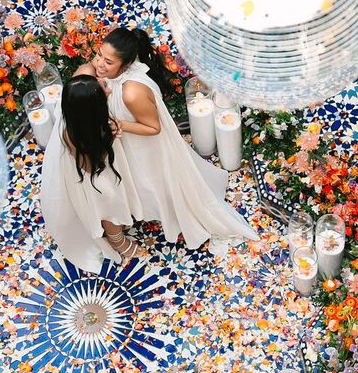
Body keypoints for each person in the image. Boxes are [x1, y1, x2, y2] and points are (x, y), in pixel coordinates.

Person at [75, 27, 257, 248]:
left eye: (108, 62)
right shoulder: (108, 75)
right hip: (126, 142)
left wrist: (118, 124)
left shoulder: (131, 92)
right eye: (98, 55)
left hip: (143, 143)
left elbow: (153, 128)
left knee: (151, 181)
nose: (99, 64)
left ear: (125, 65)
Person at [40, 76, 146, 273]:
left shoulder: (80, 116)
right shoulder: (71, 135)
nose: (108, 90)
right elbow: (90, 168)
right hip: (95, 175)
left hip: (101, 162)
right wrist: (111, 136)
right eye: (102, 90)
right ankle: (116, 239)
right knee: (110, 203)